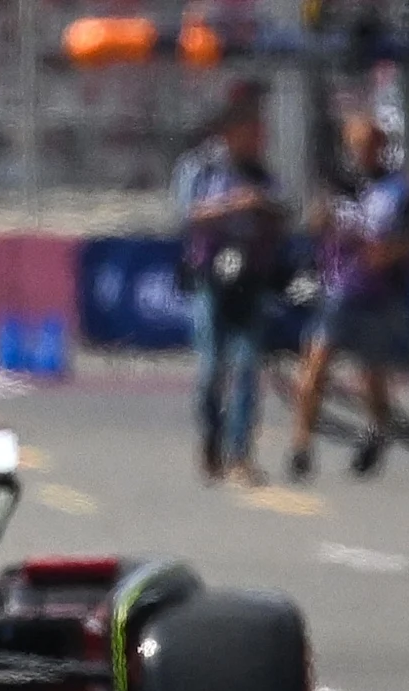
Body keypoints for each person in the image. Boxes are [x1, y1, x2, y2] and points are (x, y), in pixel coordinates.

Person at [287, 113, 409, 482]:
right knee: (315, 365)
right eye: (355, 145)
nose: (360, 152)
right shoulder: (338, 186)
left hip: (377, 293)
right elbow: (315, 226)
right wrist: (322, 217)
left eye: (368, 145)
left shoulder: (399, 190)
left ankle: (377, 430)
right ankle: (301, 445)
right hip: (336, 290)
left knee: (372, 376)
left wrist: (385, 252)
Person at [174, 90, 286, 483]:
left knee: (246, 368)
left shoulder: (261, 173)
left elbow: (284, 208)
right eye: (251, 132)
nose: (257, 141)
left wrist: (264, 208)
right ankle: (211, 438)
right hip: (211, 277)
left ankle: (240, 454)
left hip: (251, 279)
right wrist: (232, 205)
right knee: (211, 369)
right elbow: (187, 215)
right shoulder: (200, 168)